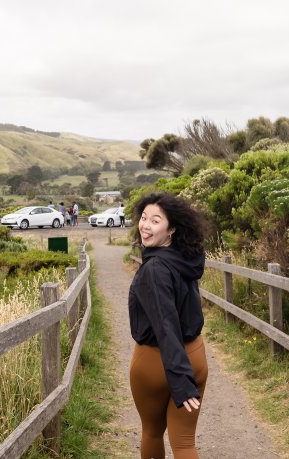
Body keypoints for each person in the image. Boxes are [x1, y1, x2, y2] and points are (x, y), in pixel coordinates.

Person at [127, 191, 211, 459]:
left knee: (152, 432)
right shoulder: (186, 259)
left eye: (155, 221)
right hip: (195, 357)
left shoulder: (154, 270)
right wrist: (187, 376)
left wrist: (180, 379)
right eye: (143, 218)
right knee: (185, 443)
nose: (145, 226)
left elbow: (165, 325)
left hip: (158, 363)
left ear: (171, 229)